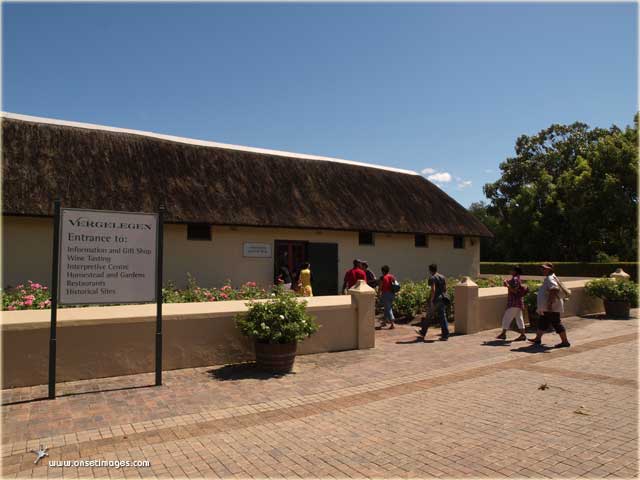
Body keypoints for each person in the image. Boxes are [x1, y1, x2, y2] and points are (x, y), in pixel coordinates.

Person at [529, 263, 571, 348]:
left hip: (551, 307)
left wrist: (549, 304)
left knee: (556, 323)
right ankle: (538, 338)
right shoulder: (551, 277)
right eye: (542, 269)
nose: (542, 270)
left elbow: (554, 289)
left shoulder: (550, 278)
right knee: (542, 321)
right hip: (548, 307)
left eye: (544, 269)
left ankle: (565, 341)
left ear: (550, 269)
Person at [418, 264, 450, 341]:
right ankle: (445, 335)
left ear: (430, 270)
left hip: (436, 299)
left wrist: (431, 300)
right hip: (442, 298)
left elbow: (433, 290)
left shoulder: (432, 278)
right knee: (443, 317)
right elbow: (445, 289)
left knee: (428, 316)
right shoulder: (442, 277)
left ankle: (423, 332)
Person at [495, 266, 527, 341]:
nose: (510, 271)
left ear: (515, 271)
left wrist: (507, 285)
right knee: (519, 319)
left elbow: (515, 291)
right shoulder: (517, 278)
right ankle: (522, 335)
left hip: (513, 302)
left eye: (512, 270)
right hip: (518, 302)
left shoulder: (515, 279)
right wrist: (506, 283)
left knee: (507, 317)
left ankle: (503, 334)